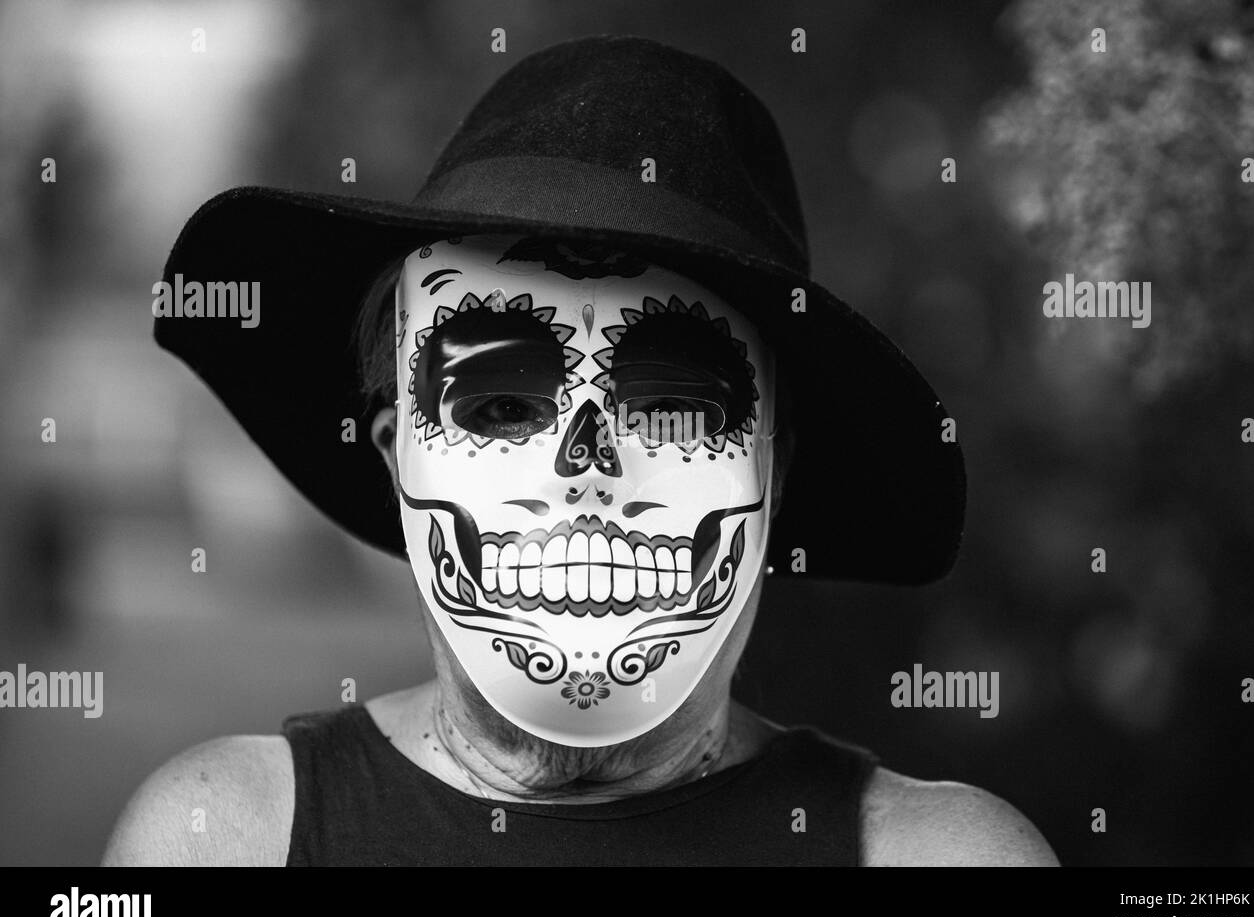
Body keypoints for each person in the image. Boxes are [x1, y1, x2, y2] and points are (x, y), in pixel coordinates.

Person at [104, 35, 1056, 866]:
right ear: (395, 454)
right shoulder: (222, 841)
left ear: (776, 459)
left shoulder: (937, 860)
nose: (586, 460)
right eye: (502, 402)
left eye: (677, 406)